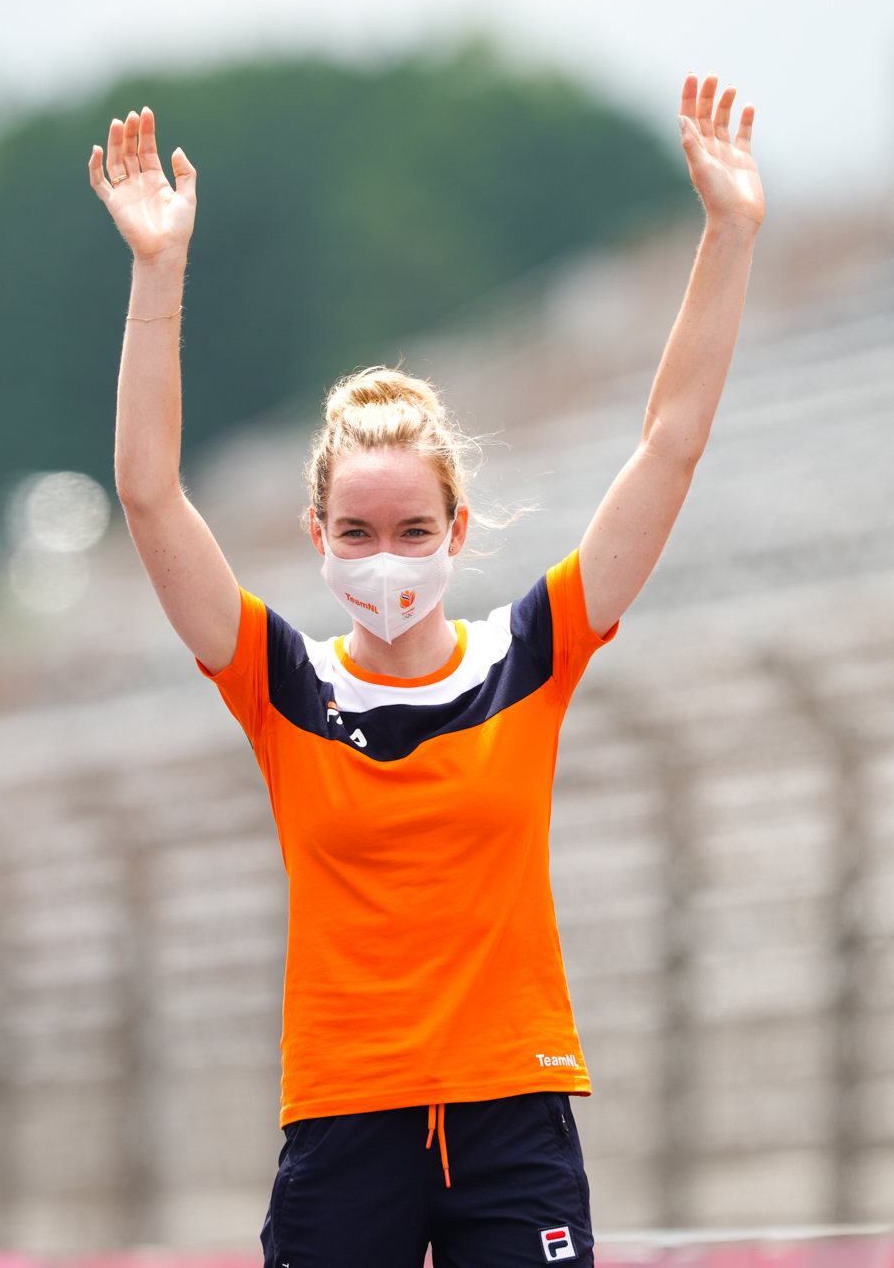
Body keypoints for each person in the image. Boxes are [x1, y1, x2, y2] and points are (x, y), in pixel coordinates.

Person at [89, 72, 762, 1268]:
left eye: (411, 531)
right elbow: (147, 493)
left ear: (457, 532)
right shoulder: (278, 678)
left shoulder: (530, 654)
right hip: (343, 1126)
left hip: (515, 1119)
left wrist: (727, 234)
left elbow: (669, 444)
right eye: (356, 531)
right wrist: (157, 273)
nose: (385, 558)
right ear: (317, 537)